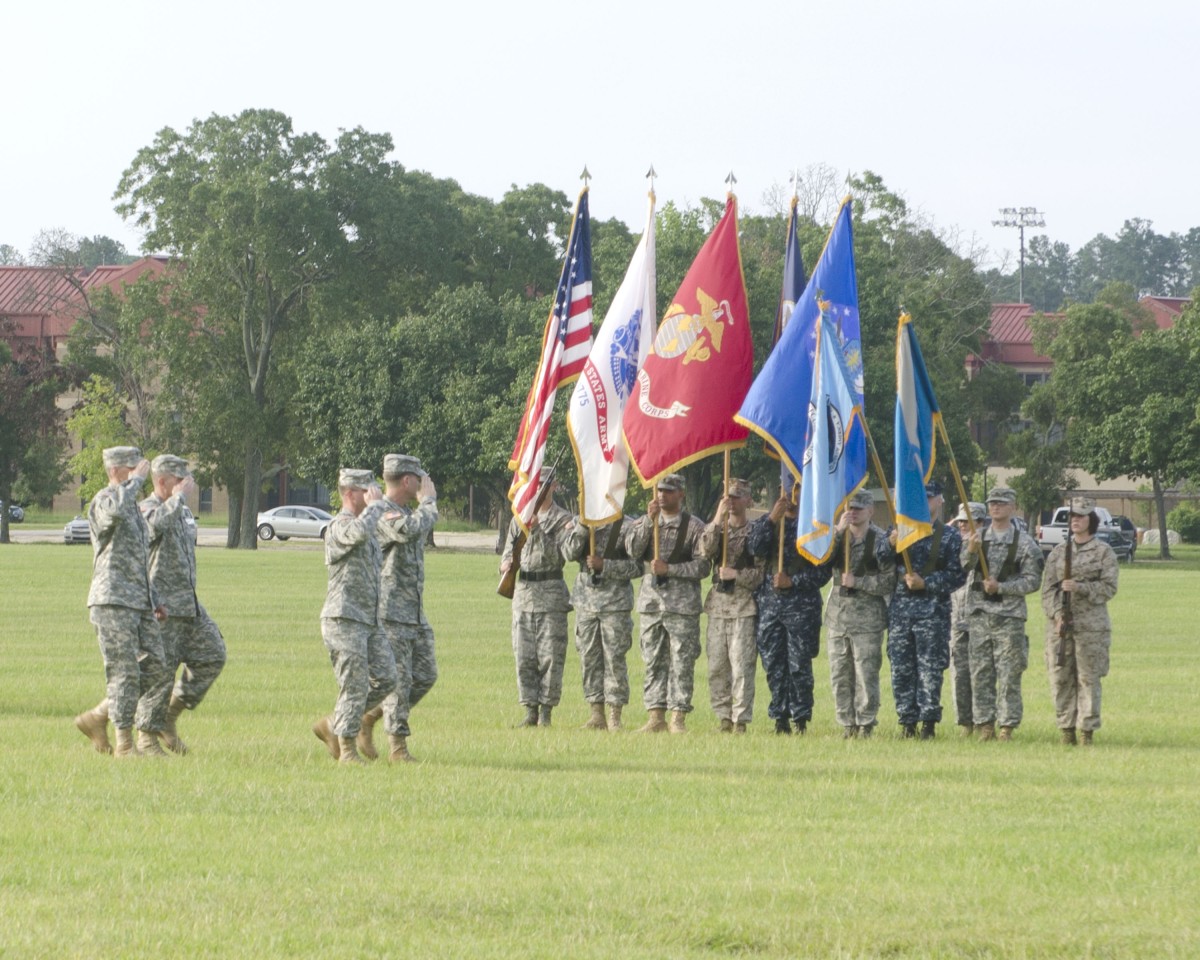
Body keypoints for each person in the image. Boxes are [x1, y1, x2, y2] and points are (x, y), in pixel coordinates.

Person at [73, 446, 171, 758]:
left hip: (138, 601)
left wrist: (153, 598)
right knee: (124, 671)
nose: (140, 473)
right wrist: (134, 483)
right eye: (134, 468)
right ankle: (125, 743)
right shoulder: (106, 499)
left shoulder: (131, 507)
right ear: (116, 470)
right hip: (111, 599)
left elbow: (138, 558)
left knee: (158, 666)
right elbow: (113, 512)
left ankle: (99, 716)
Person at [139, 454, 227, 754]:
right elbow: (152, 529)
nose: (186, 485)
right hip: (161, 607)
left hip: (189, 603)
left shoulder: (183, 511)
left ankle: (169, 717)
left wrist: (179, 503)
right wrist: (176, 501)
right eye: (180, 480)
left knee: (213, 654)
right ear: (161, 481)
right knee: (161, 673)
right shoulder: (148, 508)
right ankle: (147, 738)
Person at [312, 469, 397, 765]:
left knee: (387, 678)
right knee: (355, 684)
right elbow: (358, 534)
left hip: (369, 621)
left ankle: (334, 723)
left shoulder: (368, 526)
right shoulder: (338, 527)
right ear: (349, 494)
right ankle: (347, 750)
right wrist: (375, 508)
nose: (374, 493)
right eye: (367, 490)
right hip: (343, 619)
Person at [358, 454, 439, 763]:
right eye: (419, 478)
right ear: (407, 480)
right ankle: (398, 748)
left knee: (426, 675)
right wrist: (428, 502)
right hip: (391, 610)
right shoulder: (382, 513)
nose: (423, 484)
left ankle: (370, 714)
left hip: (413, 611)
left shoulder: (405, 510)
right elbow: (408, 530)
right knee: (400, 679)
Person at [881, 481, 966, 739]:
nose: (925, 503)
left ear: (939, 501)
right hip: (901, 614)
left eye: (930, 498)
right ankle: (907, 722)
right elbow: (880, 560)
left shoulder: (950, 537)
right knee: (901, 669)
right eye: (921, 498)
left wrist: (926, 583)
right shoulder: (900, 531)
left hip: (933, 614)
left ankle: (928, 723)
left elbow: (957, 575)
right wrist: (889, 544)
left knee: (930, 670)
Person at [626, 473, 710, 733]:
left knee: (681, 662)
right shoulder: (647, 522)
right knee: (652, 660)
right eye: (660, 490)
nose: (662, 495)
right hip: (652, 604)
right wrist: (645, 523)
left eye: (669, 491)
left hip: (681, 606)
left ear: (681, 494)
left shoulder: (694, 527)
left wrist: (670, 570)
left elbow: (703, 566)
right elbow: (632, 550)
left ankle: (678, 717)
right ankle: (655, 716)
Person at [960, 487, 1044, 741]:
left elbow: (1032, 581)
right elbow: (963, 567)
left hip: (1009, 617)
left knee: (1009, 672)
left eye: (1001, 503)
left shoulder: (1024, 543)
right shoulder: (976, 537)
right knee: (980, 671)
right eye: (992, 503)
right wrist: (972, 551)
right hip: (979, 615)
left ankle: (1007, 726)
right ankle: (985, 724)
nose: (995, 507)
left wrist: (1003, 587)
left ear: (1012, 507)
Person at [746, 489, 832, 735]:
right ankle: (779, 718)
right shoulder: (770, 522)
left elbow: (823, 571)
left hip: (801, 607)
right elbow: (754, 548)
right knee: (774, 664)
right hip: (770, 605)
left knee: (799, 665)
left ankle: (800, 718)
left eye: (797, 489)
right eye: (788, 487)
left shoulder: (815, 525)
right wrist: (772, 519)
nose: (792, 493)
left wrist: (793, 582)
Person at [1041, 496, 1119, 746]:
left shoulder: (1103, 552)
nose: (1075, 521)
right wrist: (1056, 614)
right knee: (1060, 677)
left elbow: (1109, 587)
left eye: (1081, 516)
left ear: (1091, 520)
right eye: (1072, 517)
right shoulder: (1058, 553)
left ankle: (1086, 730)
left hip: (1091, 627)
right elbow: (1048, 590)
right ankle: (1066, 729)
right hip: (1061, 628)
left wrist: (1081, 587)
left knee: (1088, 678)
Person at [500, 473, 574, 727]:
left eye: (545, 483)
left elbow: (570, 551)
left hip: (551, 592)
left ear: (554, 485)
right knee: (524, 655)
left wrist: (545, 527)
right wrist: (506, 565)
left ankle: (546, 714)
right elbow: (508, 551)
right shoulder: (519, 518)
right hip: (523, 593)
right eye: (536, 483)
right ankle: (529, 710)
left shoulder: (562, 519)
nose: (540, 488)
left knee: (551, 656)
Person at [824, 488, 895, 739]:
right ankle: (846, 723)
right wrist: (837, 534)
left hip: (868, 619)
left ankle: (865, 723)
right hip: (838, 617)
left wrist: (860, 583)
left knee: (866, 674)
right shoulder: (838, 537)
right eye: (849, 508)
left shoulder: (881, 541)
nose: (852, 512)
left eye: (858, 508)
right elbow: (821, 565)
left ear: (870, 510)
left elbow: (889, 582)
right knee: (839, 674)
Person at [564, 511, 642, 731]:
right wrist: (581, 525)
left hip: (615, 603)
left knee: (614, 659)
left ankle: (615, 715)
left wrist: (605, 566)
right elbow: (568, 553)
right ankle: (596, 713)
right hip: (585, 601)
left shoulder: (627, 527)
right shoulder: (579, 522)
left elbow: (637, 567)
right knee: (589, 658)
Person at [697, 478, 763, 733]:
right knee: (716, 666)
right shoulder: (719, 529)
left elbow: (761, 575)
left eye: (737, 497)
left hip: (743, 607)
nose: (731, 502)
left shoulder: (755, 533)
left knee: (742, 666)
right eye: (728, 497)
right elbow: (705, 550)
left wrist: (737, 575)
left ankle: (741, 720)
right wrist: (716, 518)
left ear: (748, 500)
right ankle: (723, 717)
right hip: (717, 607)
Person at [949, 501, 986, 736]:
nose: (963, 525)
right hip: (956, 616)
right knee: (959, 673)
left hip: (982, 616)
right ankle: (965, 723)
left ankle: (984, 721)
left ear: (981, 522)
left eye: (969, 521)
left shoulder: (990, 543)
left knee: (982, 672)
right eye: (961, 521)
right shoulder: (951, 544)